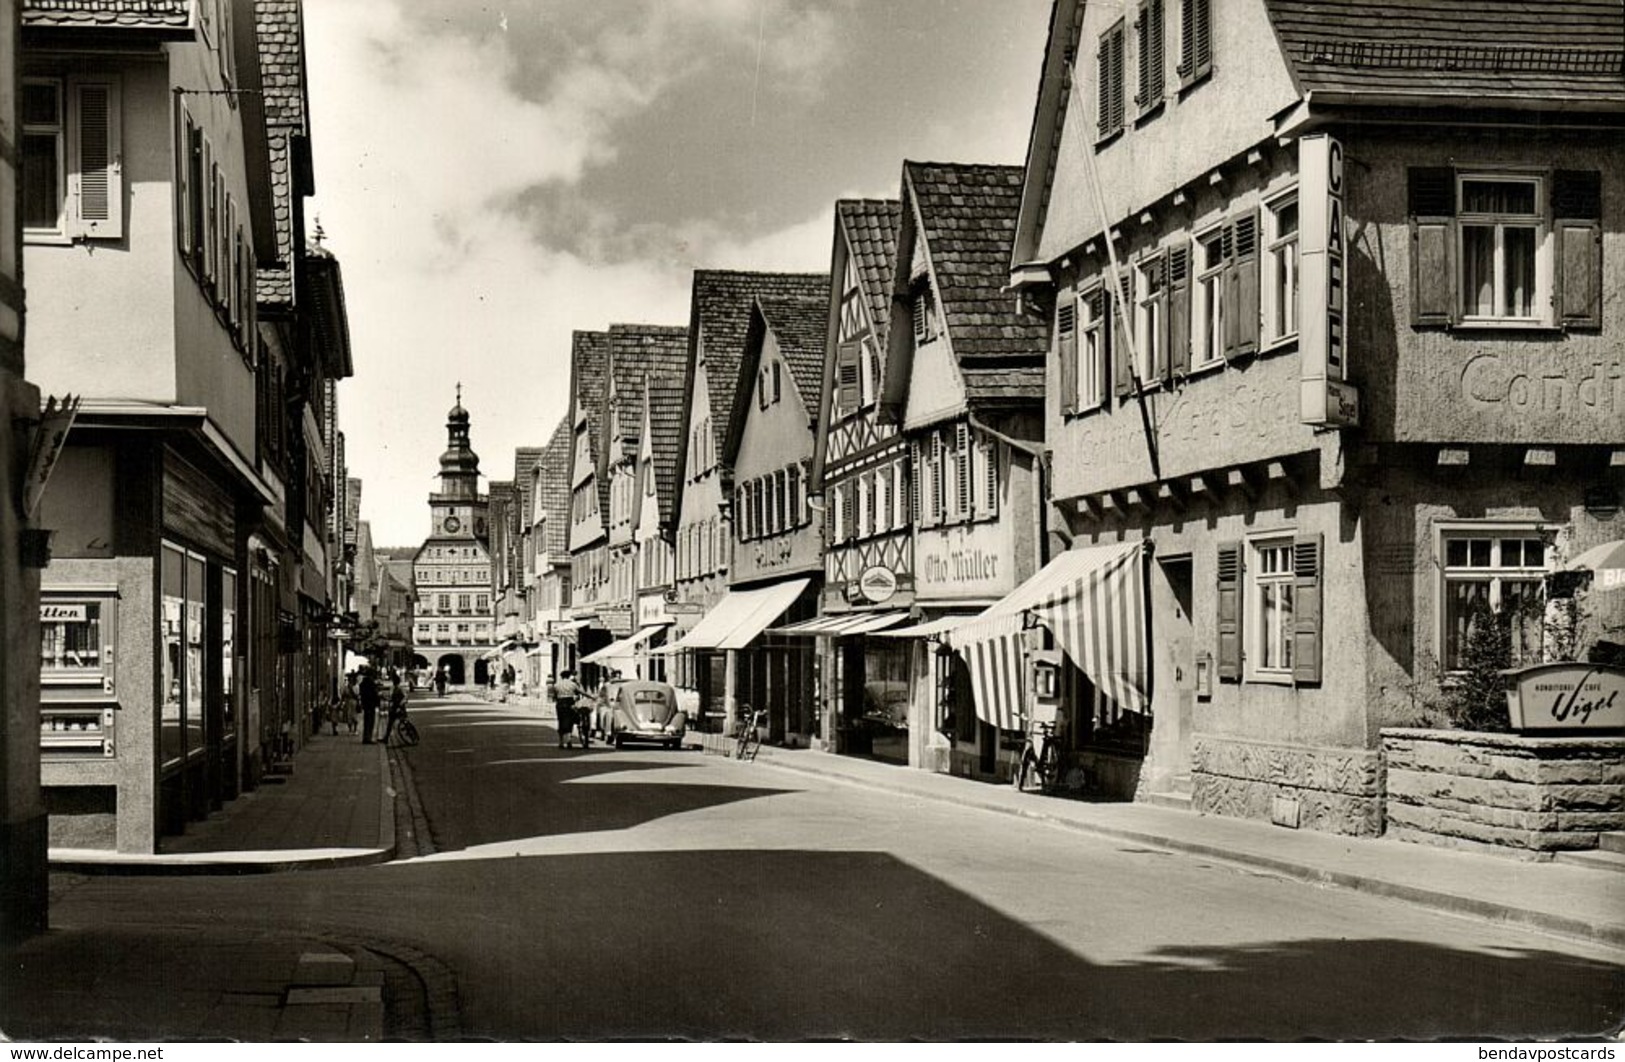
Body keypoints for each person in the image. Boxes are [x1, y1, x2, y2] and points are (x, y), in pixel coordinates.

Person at [553, 669, 586, 749]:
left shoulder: (557, 684)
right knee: (569, 721)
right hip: (569, 703)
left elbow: (554, 696)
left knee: (561, 721)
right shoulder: (573, 684)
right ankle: (568, 741)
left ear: (561, 676)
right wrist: (591, 697)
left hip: (560, 703)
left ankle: (561, 742)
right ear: (569, 676)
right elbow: (581, 692)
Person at [383, 667, 408, 743]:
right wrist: (386, 698)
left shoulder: (400, 689)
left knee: (403, 722)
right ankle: (386, 738)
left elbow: (405, 698)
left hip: (399, 708)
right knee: (390, 723)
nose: (393, 682)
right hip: (394, 708)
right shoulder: (393, 688)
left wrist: (400, 705)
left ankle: (409, 733)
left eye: (394, 681)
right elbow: (392, 699)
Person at [359, 668, 380, 744]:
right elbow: (374, 694)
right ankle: (368, 738)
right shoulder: (371, 683)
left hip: (365, 704)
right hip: (371, 704)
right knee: (370, 721)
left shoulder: (363, 683)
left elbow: (362, 694)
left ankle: (366, 737)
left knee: (366, 721)